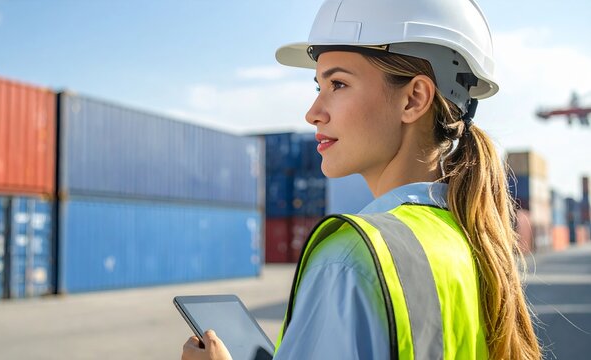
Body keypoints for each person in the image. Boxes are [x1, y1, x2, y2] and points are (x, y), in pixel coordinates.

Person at [182, 0, 541, 359]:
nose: (313, 113)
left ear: (414, 99)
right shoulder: (470, 240)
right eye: (317, 86)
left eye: (338, 84)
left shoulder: (350, 259)